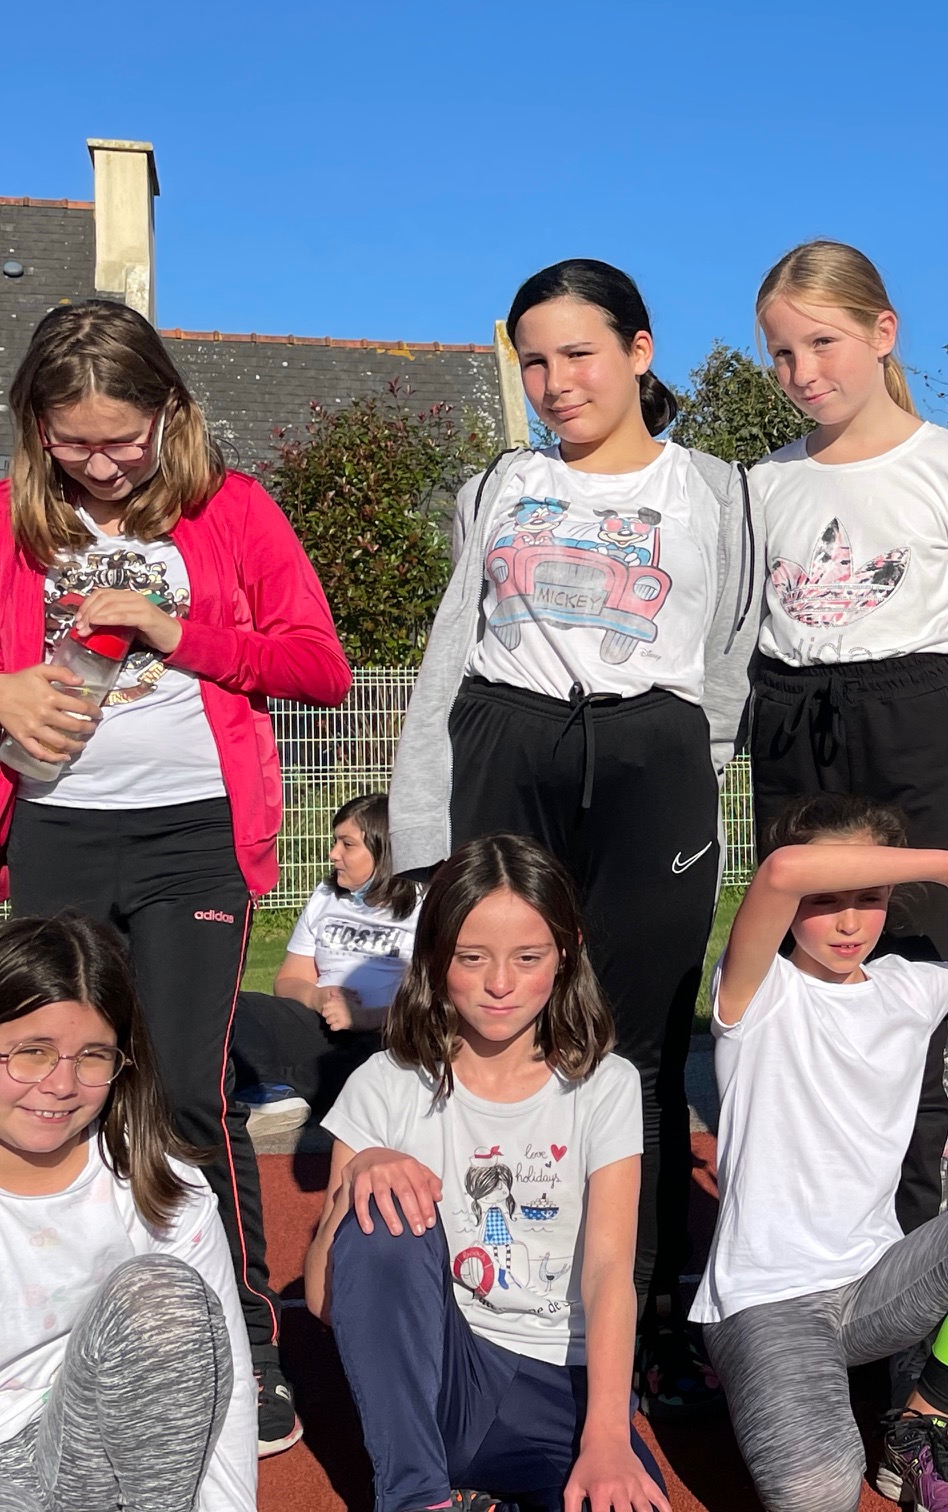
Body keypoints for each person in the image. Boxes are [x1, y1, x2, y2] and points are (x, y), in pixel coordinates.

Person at [388, 259, 762, 1413]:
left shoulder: (720, 492)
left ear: (640, 353)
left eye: (579, 355)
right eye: (535, 361)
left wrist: (685, 772)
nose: (555, 383)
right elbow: (451, 652)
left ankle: (645, 1320)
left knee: (636, 1053)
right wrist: (421, 830)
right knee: (500, 1033)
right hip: (508, 746)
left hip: (654, 762)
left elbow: (732, 656)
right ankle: (493, 1312)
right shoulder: (497, 486)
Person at [0, 299, 352, 1454]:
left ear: (169, 412)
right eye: (73, 442)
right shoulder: (12, 519)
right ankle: (61, 1334)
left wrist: (175, 631)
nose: (101, 465)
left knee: (187, 1093)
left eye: (123, 438)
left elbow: (321, 666)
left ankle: (246, 1345)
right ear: (34, 427)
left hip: (195, 836)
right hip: (55, 834)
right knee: (53, 1084)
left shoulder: (230, 510)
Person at [748, 240, 948, 1242]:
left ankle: (920, 1256)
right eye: (782, 354)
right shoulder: (762, 484)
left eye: (822, 343)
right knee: (796, 984)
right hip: (790, 726)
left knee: (917, 987)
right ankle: (804, 1240)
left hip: (911, 729)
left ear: (882, 333)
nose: (802, 372)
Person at [695, 794, 948, 1512]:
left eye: (869, 899)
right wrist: (946, 865)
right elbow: (781, 871)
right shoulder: (756, 990)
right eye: (826, 900)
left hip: (876, 1284)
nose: (848, 923)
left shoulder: (908, 987)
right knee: (818, 1493)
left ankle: (916, 1426)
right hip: (767, 1299)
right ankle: (768, 1381)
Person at [303, 834, 668, 1512]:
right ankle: (416, 1497)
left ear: (567, 953)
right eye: (472, 958)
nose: (500, 983)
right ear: (434, 955)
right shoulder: (384, 1083)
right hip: (438, 1386)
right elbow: (327, 1299)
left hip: (559, 1388)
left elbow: (609, 1270)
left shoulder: (605, 1084)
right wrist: (359, 1181)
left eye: (528, 958)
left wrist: (608, 1438)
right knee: (384, 1211)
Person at [0, 912, 256, 1512]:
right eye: (32, 1053)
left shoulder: (157, 1184)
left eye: (93, 1056)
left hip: (86, 1455)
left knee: (164, 1297)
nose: (61, 1085)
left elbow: (227, 1383)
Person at [232, 792, 420, 1135]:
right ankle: (270, 1091)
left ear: (383, 850)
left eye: (347, 844)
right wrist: (318, 997)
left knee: (371, 1060)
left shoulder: (425, 905)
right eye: (336, 842)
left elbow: (435, 1005)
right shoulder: (326, 896)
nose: (333, 854)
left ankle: (274, 1088)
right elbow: (288, 981)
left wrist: (364, 1018)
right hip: (321, 1020)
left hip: (387, 1030)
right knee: (236, 1007)